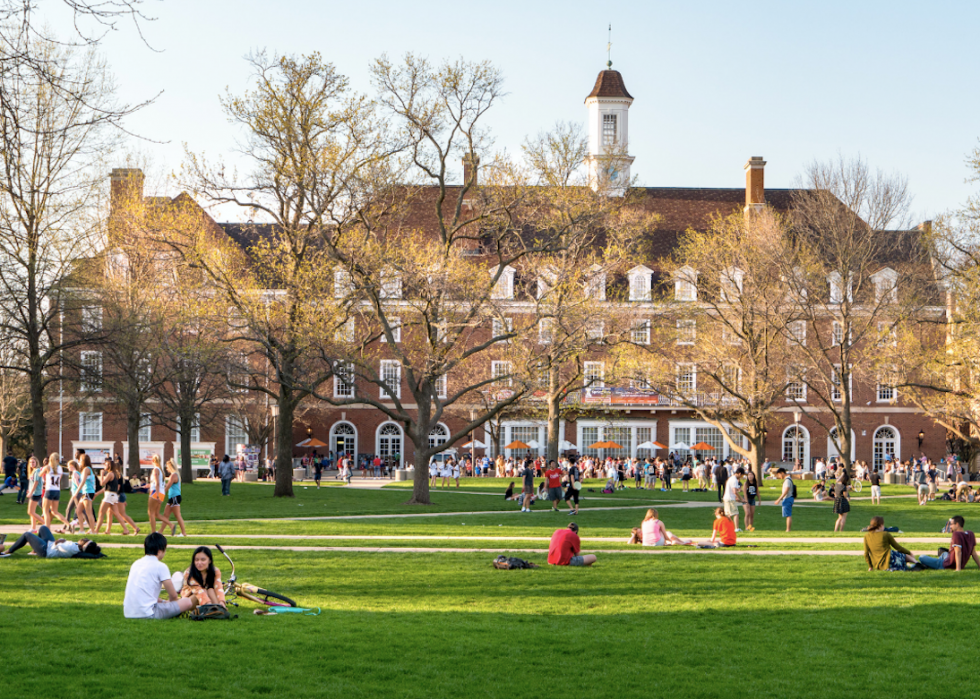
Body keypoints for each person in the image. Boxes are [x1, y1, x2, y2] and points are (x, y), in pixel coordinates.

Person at [124, 532, 199, 619]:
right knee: (187, 602)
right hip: (149, 613)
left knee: (168, 603)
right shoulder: (160, 566)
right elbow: (173, 596)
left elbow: (147, 595)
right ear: (160, 551)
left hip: (128, 613)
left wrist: (163, 601)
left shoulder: (136, 564)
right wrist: (174, 604)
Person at [0, 524, 101, 558]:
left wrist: (60, 540)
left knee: (27, 535)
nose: (83, 539)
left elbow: (57, 544)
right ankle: (34, 550)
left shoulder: (71, 548)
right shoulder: (77, 547)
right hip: (51, 545)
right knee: (43, 528)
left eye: (84, 540)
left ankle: (9, 551)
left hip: (46, 550)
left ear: (83, 546)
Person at [156, 459, 186, 537]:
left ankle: (183, 533)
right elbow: (166, 486)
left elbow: (168, 486)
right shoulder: (173, 475)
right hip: (172, 498)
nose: (166, 469)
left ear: (170, 467)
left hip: (175, 497)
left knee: (177, 515)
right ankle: (160, 531)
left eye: (167, 467)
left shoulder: (174, 475)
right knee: (166, 515)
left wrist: (160, 495)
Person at [722, 467, 745, 532]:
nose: (741, 477)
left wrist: (736, 497)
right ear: (739, 473)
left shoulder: (731, 478)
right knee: (735, 513)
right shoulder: (734, 479)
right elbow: (734, 491)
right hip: (730, 499)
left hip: (727, 498)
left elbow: (733, 490)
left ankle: (726, 528)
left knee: (729, 514)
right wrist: (741, 499)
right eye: (742, 475)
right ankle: (736, 528)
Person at [773, 468, 795, 532]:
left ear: (782, 473)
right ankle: (788, 529)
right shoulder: (788, 479)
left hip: (787, 498)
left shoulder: (787, 480)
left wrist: (779, 499)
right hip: (789, 498)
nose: (779, 477)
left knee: (788, 515)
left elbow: (786, 490)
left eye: (779, 475)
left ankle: (788, 529)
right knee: (787, 514)